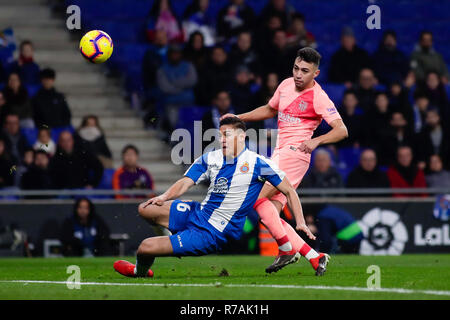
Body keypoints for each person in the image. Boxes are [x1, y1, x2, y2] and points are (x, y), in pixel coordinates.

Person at [113, 117, 322, 278]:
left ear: (241, 137)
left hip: (213, 232)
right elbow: (186, 181)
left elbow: (289, 190)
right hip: (199, 213)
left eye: (227, 135)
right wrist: (164, 196)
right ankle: (174, 233)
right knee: (145, 208)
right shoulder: (211, 157)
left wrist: (300, 222)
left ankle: (140, 272)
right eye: (220, 135)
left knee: (145, 247)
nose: (221, 139)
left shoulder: (258, 163)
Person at [221, 47, 347, 273]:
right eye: (296, 68)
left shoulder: (318, 97)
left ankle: (288, 250)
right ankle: (314, 257)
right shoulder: (286, 85)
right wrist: (238, 118)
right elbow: (270, 109)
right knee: (267, 211)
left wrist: (316, 141)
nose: (299, 74)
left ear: (315, 74)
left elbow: (341, 130)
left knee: (254, 198)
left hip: (295, 155)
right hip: (280, 153)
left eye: (305, 71)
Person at [156, 44, 197, 131]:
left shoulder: (189, 66)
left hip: (188, 103)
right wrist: (183, 87)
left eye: (177, 53)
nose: (175, 56)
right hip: (171, 104)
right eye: (173, 53)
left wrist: (175, 83)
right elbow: (165, 88)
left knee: (191, 128)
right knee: (175, 127)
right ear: (169, 55)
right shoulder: (162, 69)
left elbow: (192, 80)